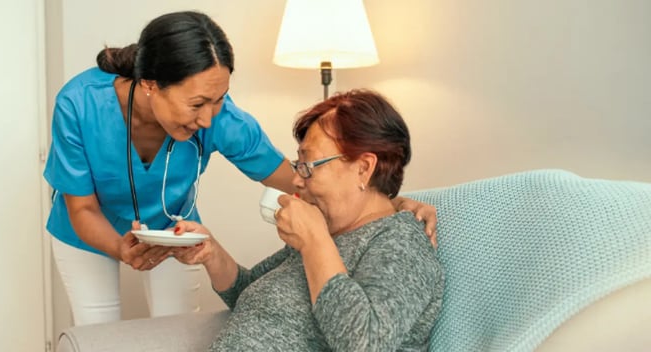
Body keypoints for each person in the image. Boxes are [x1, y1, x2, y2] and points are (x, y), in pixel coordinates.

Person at [43, 10, 439, 326]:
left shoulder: (221, 118)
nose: (209, 118)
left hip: (172, 229)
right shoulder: (79, 105)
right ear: (149, 84)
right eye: (197, 104)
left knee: (178, 322)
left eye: (220, 99)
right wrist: (119, 248)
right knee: (96, 329)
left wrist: (388, 201)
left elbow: (295, 177)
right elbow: (82, 208)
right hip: (88, 229)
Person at [172, 89, 444, 351]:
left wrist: (315, 242)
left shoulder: (401, 241)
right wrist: (211, 253)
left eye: (309, 166)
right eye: (298, 165)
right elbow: (248, 292)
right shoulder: (328, 232)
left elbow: (365, 343)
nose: (295, 180)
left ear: (363, 168)